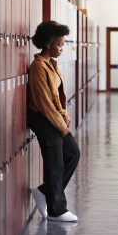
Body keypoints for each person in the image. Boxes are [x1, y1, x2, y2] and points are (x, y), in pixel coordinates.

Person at [28, 21, 80, 222]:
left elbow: (58, 97)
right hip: (43, 119)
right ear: (49, 44)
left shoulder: (52, 65)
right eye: (59, 44)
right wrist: (62, 127)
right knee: (55, 163)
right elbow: (44, 103)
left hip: (54, 119)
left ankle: (43, 192)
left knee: (72, 154)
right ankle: (56, 210)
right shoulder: (38, 67)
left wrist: (63, 118)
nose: (62, 48)